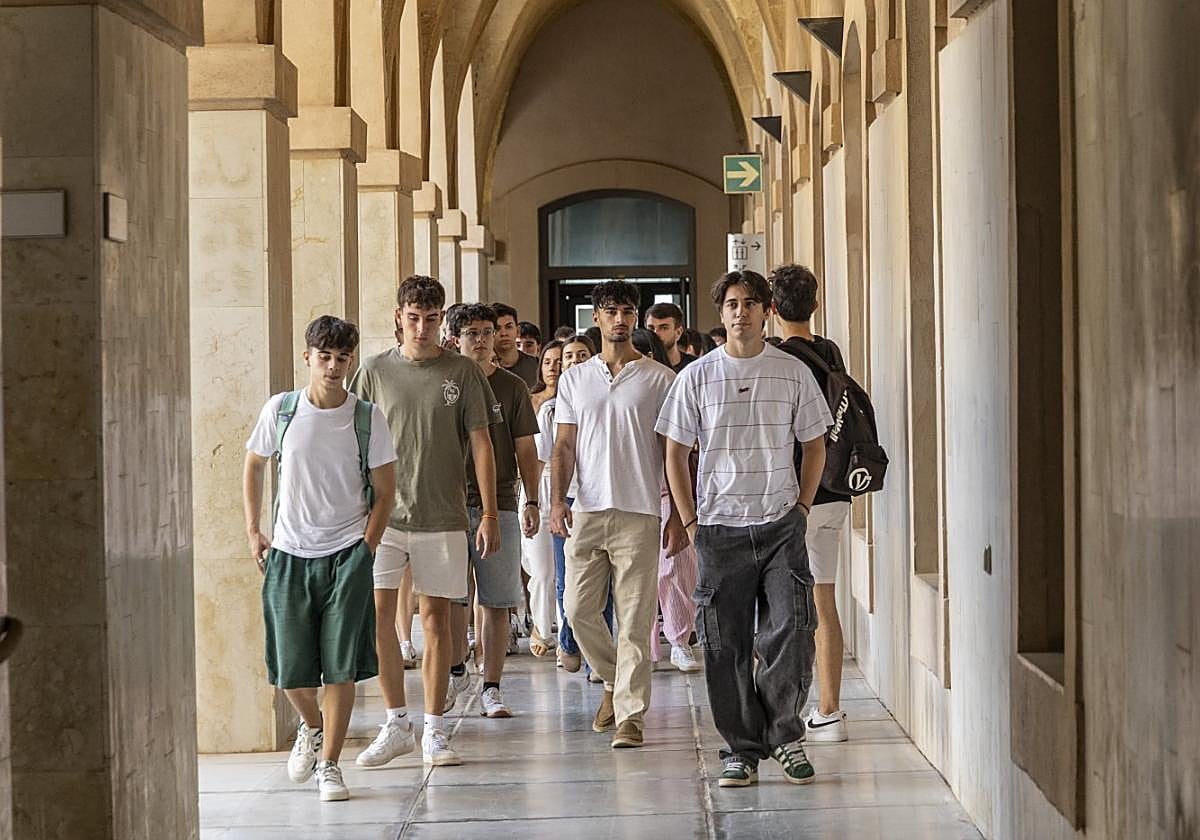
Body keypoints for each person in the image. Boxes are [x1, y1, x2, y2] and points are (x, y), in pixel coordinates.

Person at [656, 269, 832, 788]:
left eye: (750, 303)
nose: (740, 312)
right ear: (721, 313)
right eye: (731, 303)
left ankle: (785, 735)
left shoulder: (792, 371)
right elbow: (675, 452)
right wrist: (690, 520)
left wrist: (801, 507)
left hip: (780, 525)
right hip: (719, 528)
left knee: (792, 633)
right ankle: (742, 748)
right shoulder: (697, 376)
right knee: (724, 643)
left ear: (767, 310)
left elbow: (815, 443)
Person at [243, 316, 397, 802]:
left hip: (346, 553)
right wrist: (253, 530)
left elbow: (386, 492)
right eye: (325, 357)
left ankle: (330, 763)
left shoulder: (366, 417)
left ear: (352, 362)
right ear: (308, 357)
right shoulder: (282, 410)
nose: (333, 367)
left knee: (341, 665)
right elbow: (253, 463)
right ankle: (312, 726)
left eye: (342, 358)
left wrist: (366, 547)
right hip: (288, 553)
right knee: (290, 668)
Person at [349, 275, 500, 768]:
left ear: (442, 321)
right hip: (382, 518)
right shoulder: (372, 372)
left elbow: (481, 443)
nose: (422, 328)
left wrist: (492, 512)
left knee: (437, 621)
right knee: (380, 620)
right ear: (398, 317)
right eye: (413, 318)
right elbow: (350, 439)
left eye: (431, 319)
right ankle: (396, 722)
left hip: (443, 515)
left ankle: (435, 729)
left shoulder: (463, 372)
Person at [551, 282, 687, 749]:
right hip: (586, 508)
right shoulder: (574, 379)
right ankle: (612, 680)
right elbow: (563, 444)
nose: (619, 320)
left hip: (641, 509)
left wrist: (677, 513)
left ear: (636, 316)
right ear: (597, 316)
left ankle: (631, 715)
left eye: (627, 311)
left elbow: (674, 450)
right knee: (577, 609)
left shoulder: (659, 379)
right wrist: (555, 502)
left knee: (634, 618)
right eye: (610, 311)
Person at [444, 303, 541, 718]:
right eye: (472, 333)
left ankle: (492, 685)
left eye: (487, 332)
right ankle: (454, 670)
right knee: (451, 599)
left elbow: (525, 447)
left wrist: (531, 499)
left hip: (498, 501)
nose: (481, 340)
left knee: (497, 599)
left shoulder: (513, 387)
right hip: (445, 503)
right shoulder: (443, 383)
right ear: (455, 340)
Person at [770, 264, 853, 742]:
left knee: (782, 606)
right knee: (824, 599)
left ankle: (785, 705)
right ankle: (830, 710)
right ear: (815, 306)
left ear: (773, 309)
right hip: (836, 493)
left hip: (797, 496)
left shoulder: (776, 361)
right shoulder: (830, 353)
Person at [544, 334, 613, 673]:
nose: (573, 361)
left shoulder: (603, 393)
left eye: (581, 354)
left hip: (599, 494)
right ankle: (570, 642)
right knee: (566, 579)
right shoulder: (549, 408)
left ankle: (601, 660)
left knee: (606, 586)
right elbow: (553, 451)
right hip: (565, 494)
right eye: (567, 356)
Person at [522, 339, 565, 658]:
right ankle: (541, 624)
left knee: (566, 569)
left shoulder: (572, 401)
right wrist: (531, 499)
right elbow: (530, 453)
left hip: (570, 486)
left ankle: (566, 632)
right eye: (549, 361)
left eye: (561, 361)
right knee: (542, 568)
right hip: (538, 483)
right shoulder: (535, 402)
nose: (555, 367)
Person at [492, 302, 540, 387]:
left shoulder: (536, 366)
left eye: (508, 327)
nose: (504, 333)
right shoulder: (481, 367)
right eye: (497, 328)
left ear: (517, 331)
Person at [644, 302, 696, 373]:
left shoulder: (694, 367)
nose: (656, 333)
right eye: (651, 328)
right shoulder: (640, 367)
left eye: (664, 328)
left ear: (678, 333)